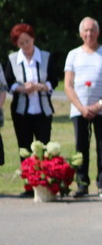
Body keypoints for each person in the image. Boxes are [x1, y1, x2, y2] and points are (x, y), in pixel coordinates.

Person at [64, 17, 102, 199]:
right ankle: (81, 184)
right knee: (81, 146)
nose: (89, 34)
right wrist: (81, 107)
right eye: (86, 31)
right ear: (81, 33)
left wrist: (99, 105)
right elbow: (68, 85)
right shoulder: (73, 54)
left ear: (98, 32)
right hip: (79, 109)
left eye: (92, 30)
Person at [4, 23, 62, 196]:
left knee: (43, 147)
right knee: (24, 148)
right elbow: (8, 82)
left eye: (27, 42)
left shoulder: (45, 56)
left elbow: (54, 79)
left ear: (33, 39)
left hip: (42, 110)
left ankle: (44, 183)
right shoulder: (13, 59)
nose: (25, 46)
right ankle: (29, 186)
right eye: (21, 43)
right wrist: (22, 88)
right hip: (21, 111)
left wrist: (42, 86)